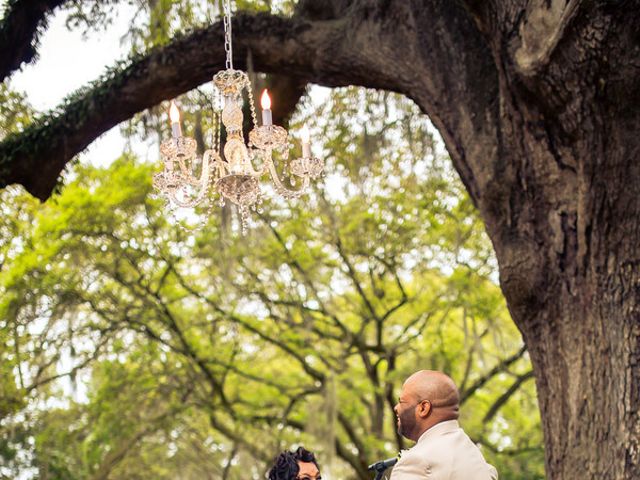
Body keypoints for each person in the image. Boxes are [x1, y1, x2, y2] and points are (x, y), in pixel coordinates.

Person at [390, 370, 498, 480]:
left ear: (423, 408)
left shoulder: (416, 462)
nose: (396, 407)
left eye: (401, 401)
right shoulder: (477, 460)